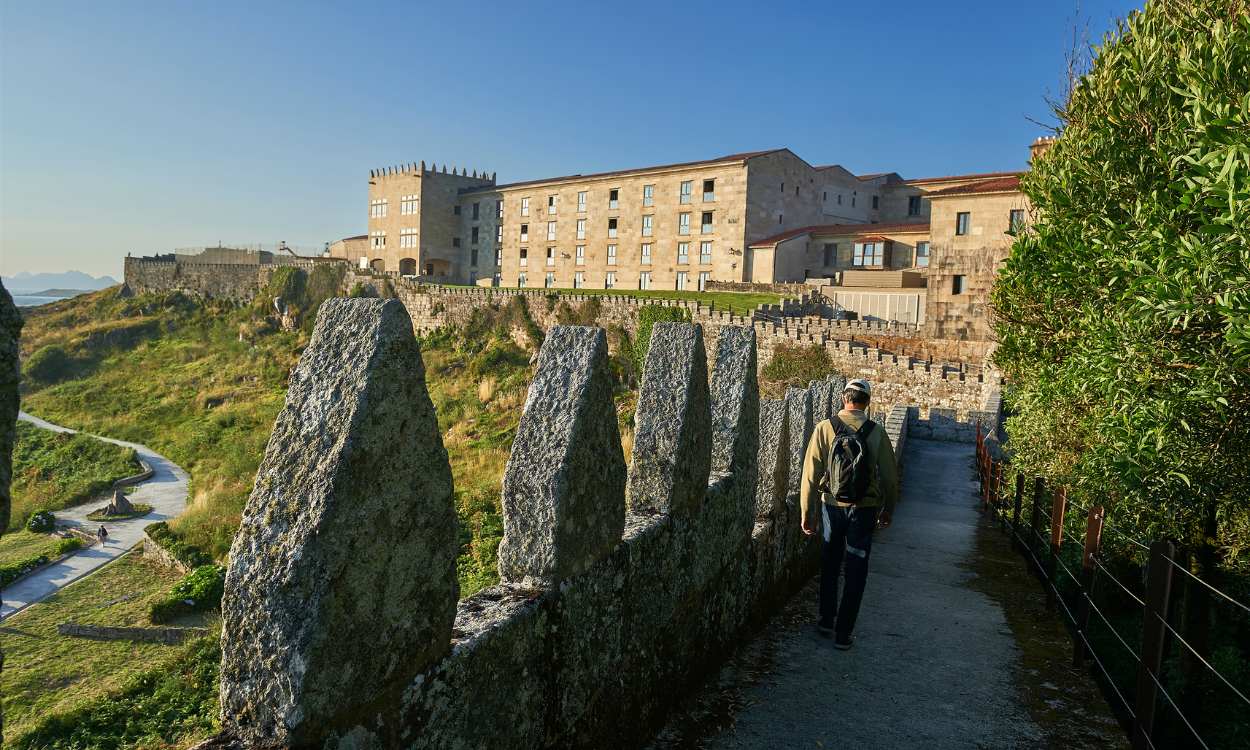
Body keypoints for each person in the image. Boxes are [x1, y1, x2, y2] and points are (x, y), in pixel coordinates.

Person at [799, 378, 899, 650]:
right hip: (864, 509)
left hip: (832, 505)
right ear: (867, 403)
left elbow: (809, 476)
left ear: (844, 398)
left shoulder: (824, 428)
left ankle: (825, 620)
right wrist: (888, 509)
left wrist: (807, 513)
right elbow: (890, 478)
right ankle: (844, 634)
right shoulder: (876, 432)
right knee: (856, 570)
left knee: (830, 563)